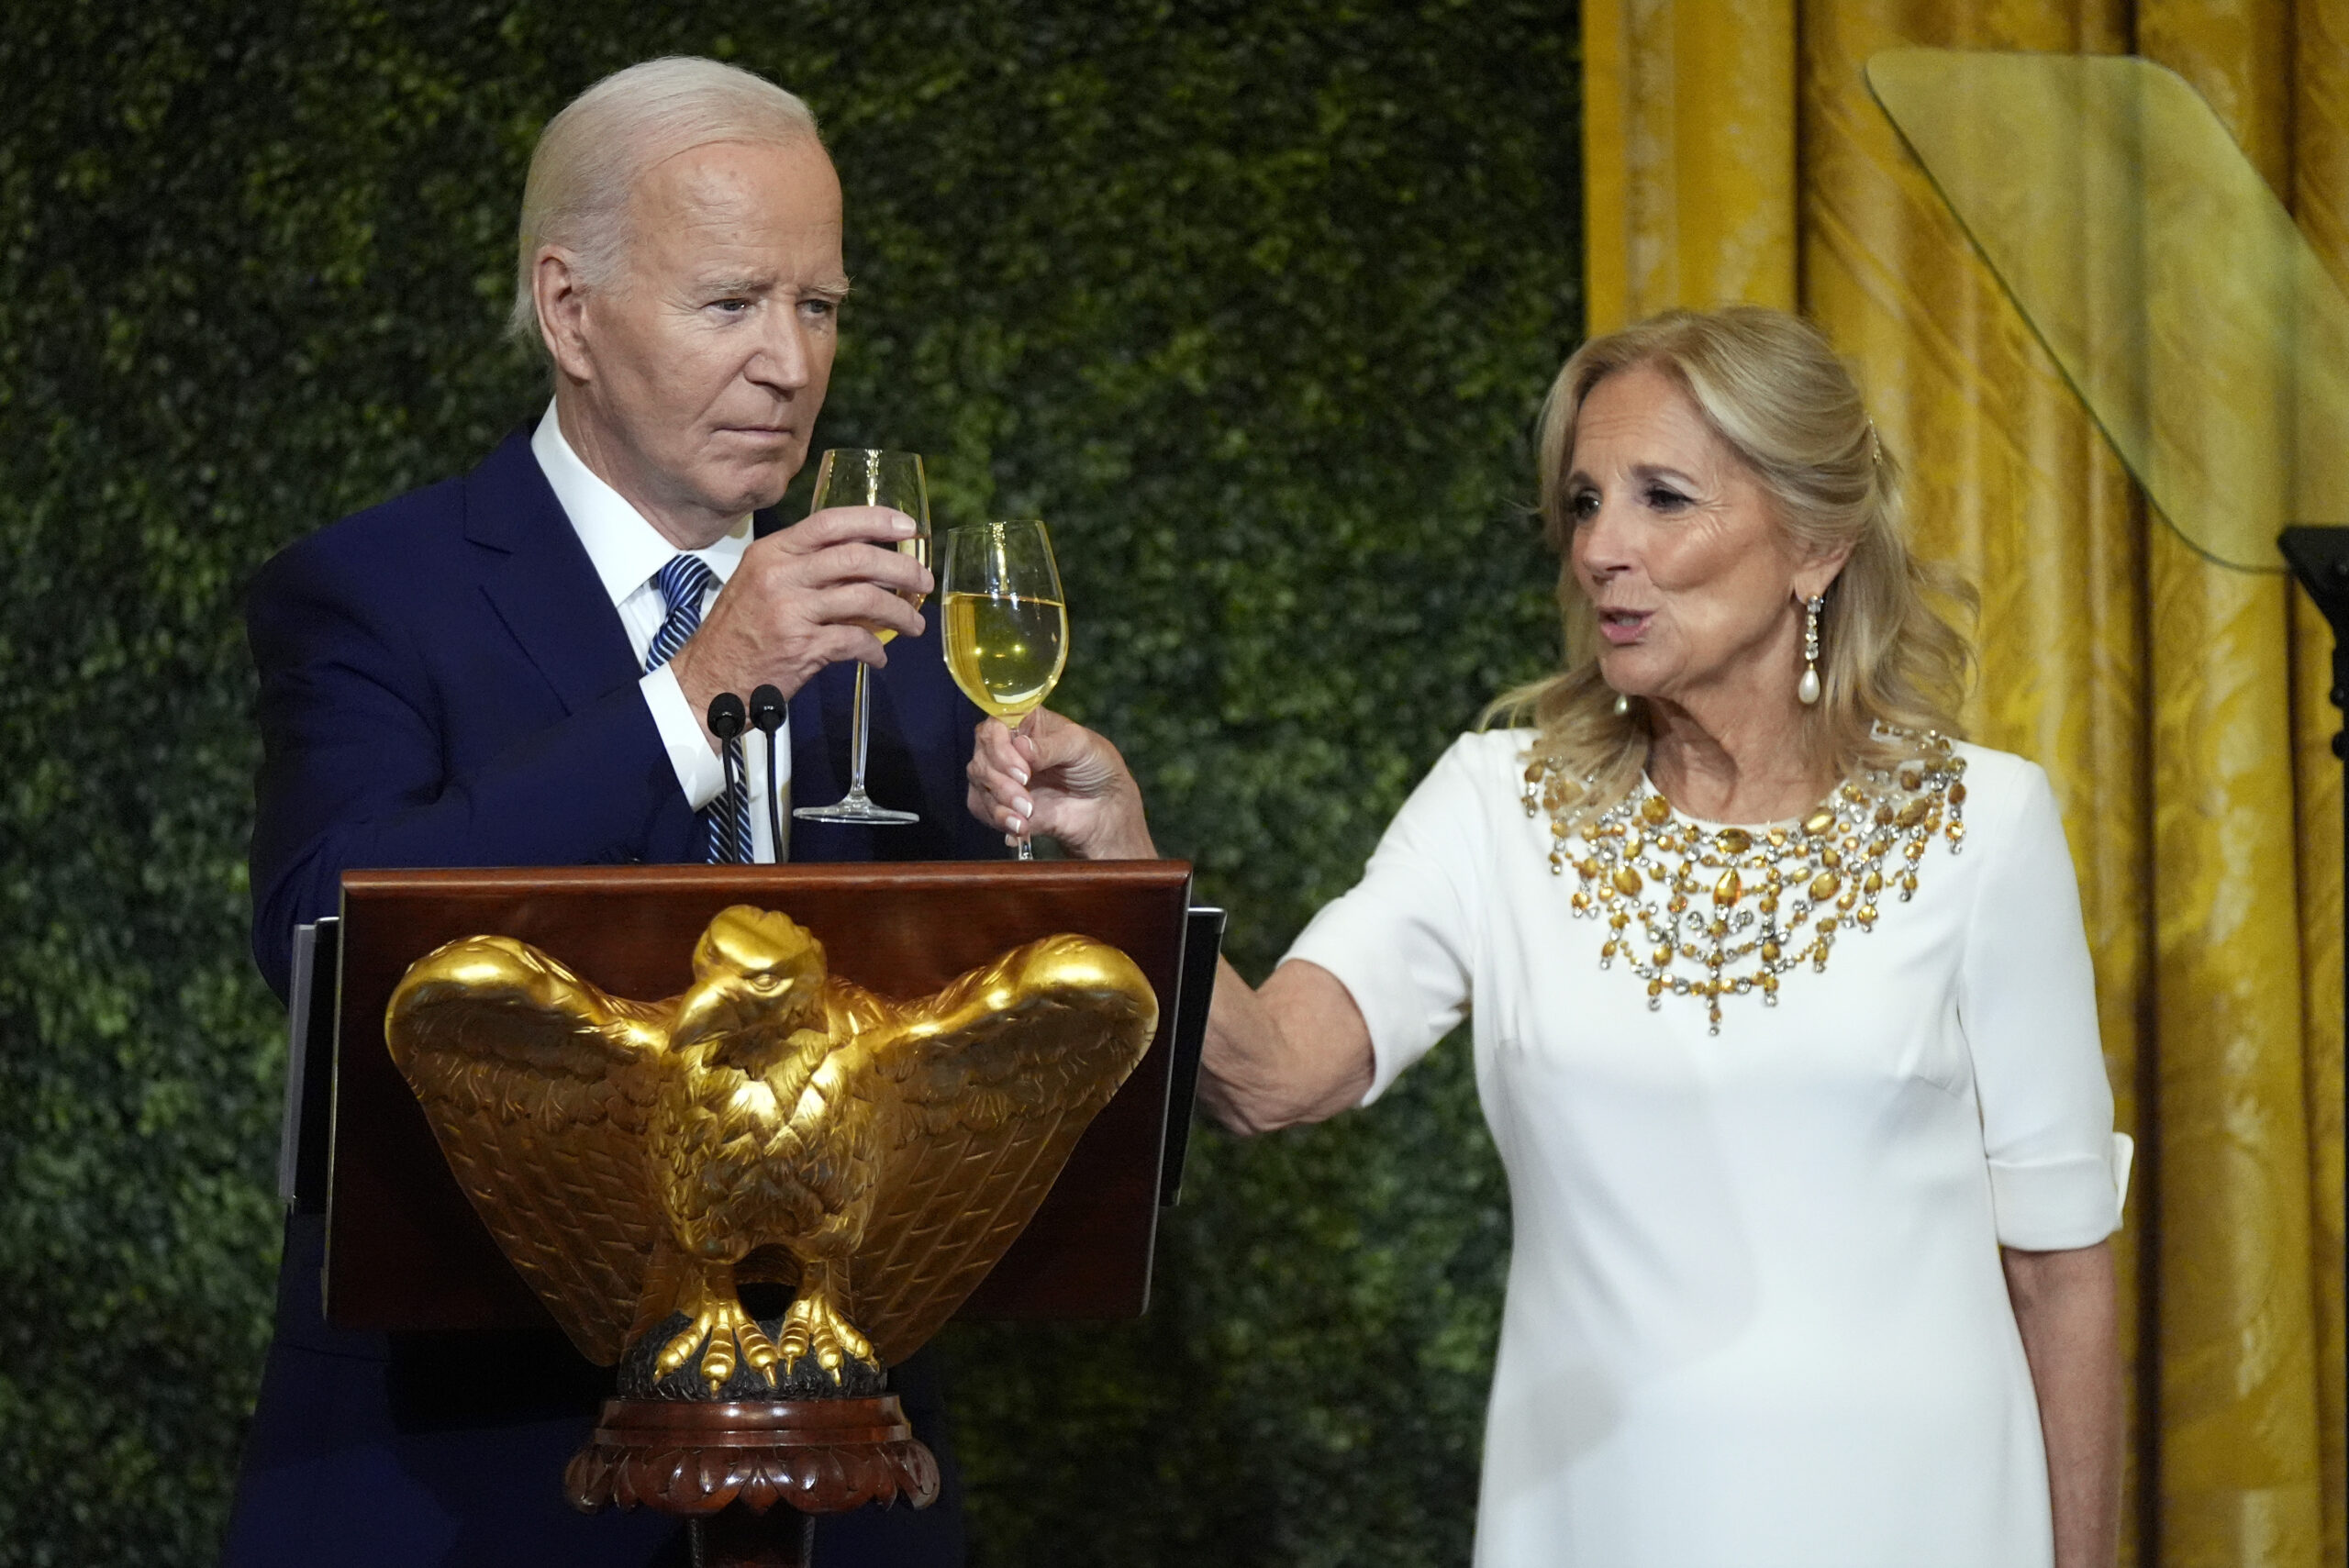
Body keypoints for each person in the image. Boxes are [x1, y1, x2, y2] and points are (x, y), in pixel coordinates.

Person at [968, 306, 2131, 1568]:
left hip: (1929, 1516)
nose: (1602, 551)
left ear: (1815, 545)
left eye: (1661, 498)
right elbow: (1271, 1072)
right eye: (1584, 503)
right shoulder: (1497, 803)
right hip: (1598, 1519)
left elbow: (2061, 1272)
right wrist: (1128, 855)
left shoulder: (1986, 825)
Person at [224, 57, 996, 1568]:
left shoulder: (891, 619)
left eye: (819, 306)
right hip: (465, 1482)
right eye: (732, 305)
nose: (789, 361)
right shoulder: (377, 593)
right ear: (570, 310)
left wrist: (1069, 839)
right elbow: (325, 928)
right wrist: (695, 690)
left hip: (854, 1485)